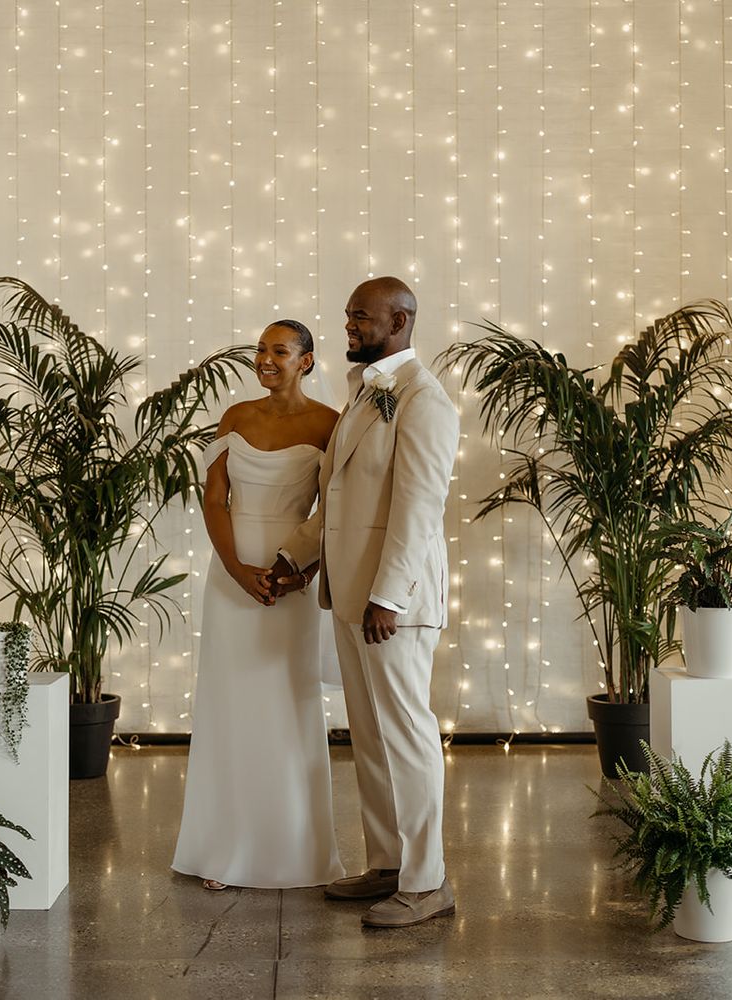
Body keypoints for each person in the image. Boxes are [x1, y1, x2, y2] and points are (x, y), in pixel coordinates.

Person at [271, 277, 460, 928]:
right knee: (373, 740)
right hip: (349, 597)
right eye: (348, 314)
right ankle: (388, 865)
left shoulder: (423, 401)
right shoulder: (362, 394)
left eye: (361, 317)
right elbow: (339, 503)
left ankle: (428, 883)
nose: (348, 325)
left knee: (406, 739)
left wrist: (387, 597)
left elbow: (418, 511)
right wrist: (294, 556)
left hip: (392, 604)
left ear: (401, 320)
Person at [171, 320, 345, 890]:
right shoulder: (236, 418)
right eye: (261, 350)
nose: (265, 359)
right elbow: (214, 498)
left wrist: (300, 571)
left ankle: (295, 848)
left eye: (280, 351)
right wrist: (233, 570)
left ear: (307, 362)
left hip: (287, 582)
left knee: (286, 708)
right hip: (231, 579)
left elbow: (333, 514)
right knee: (230, 708)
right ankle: (225, 850)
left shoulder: (330, 425)